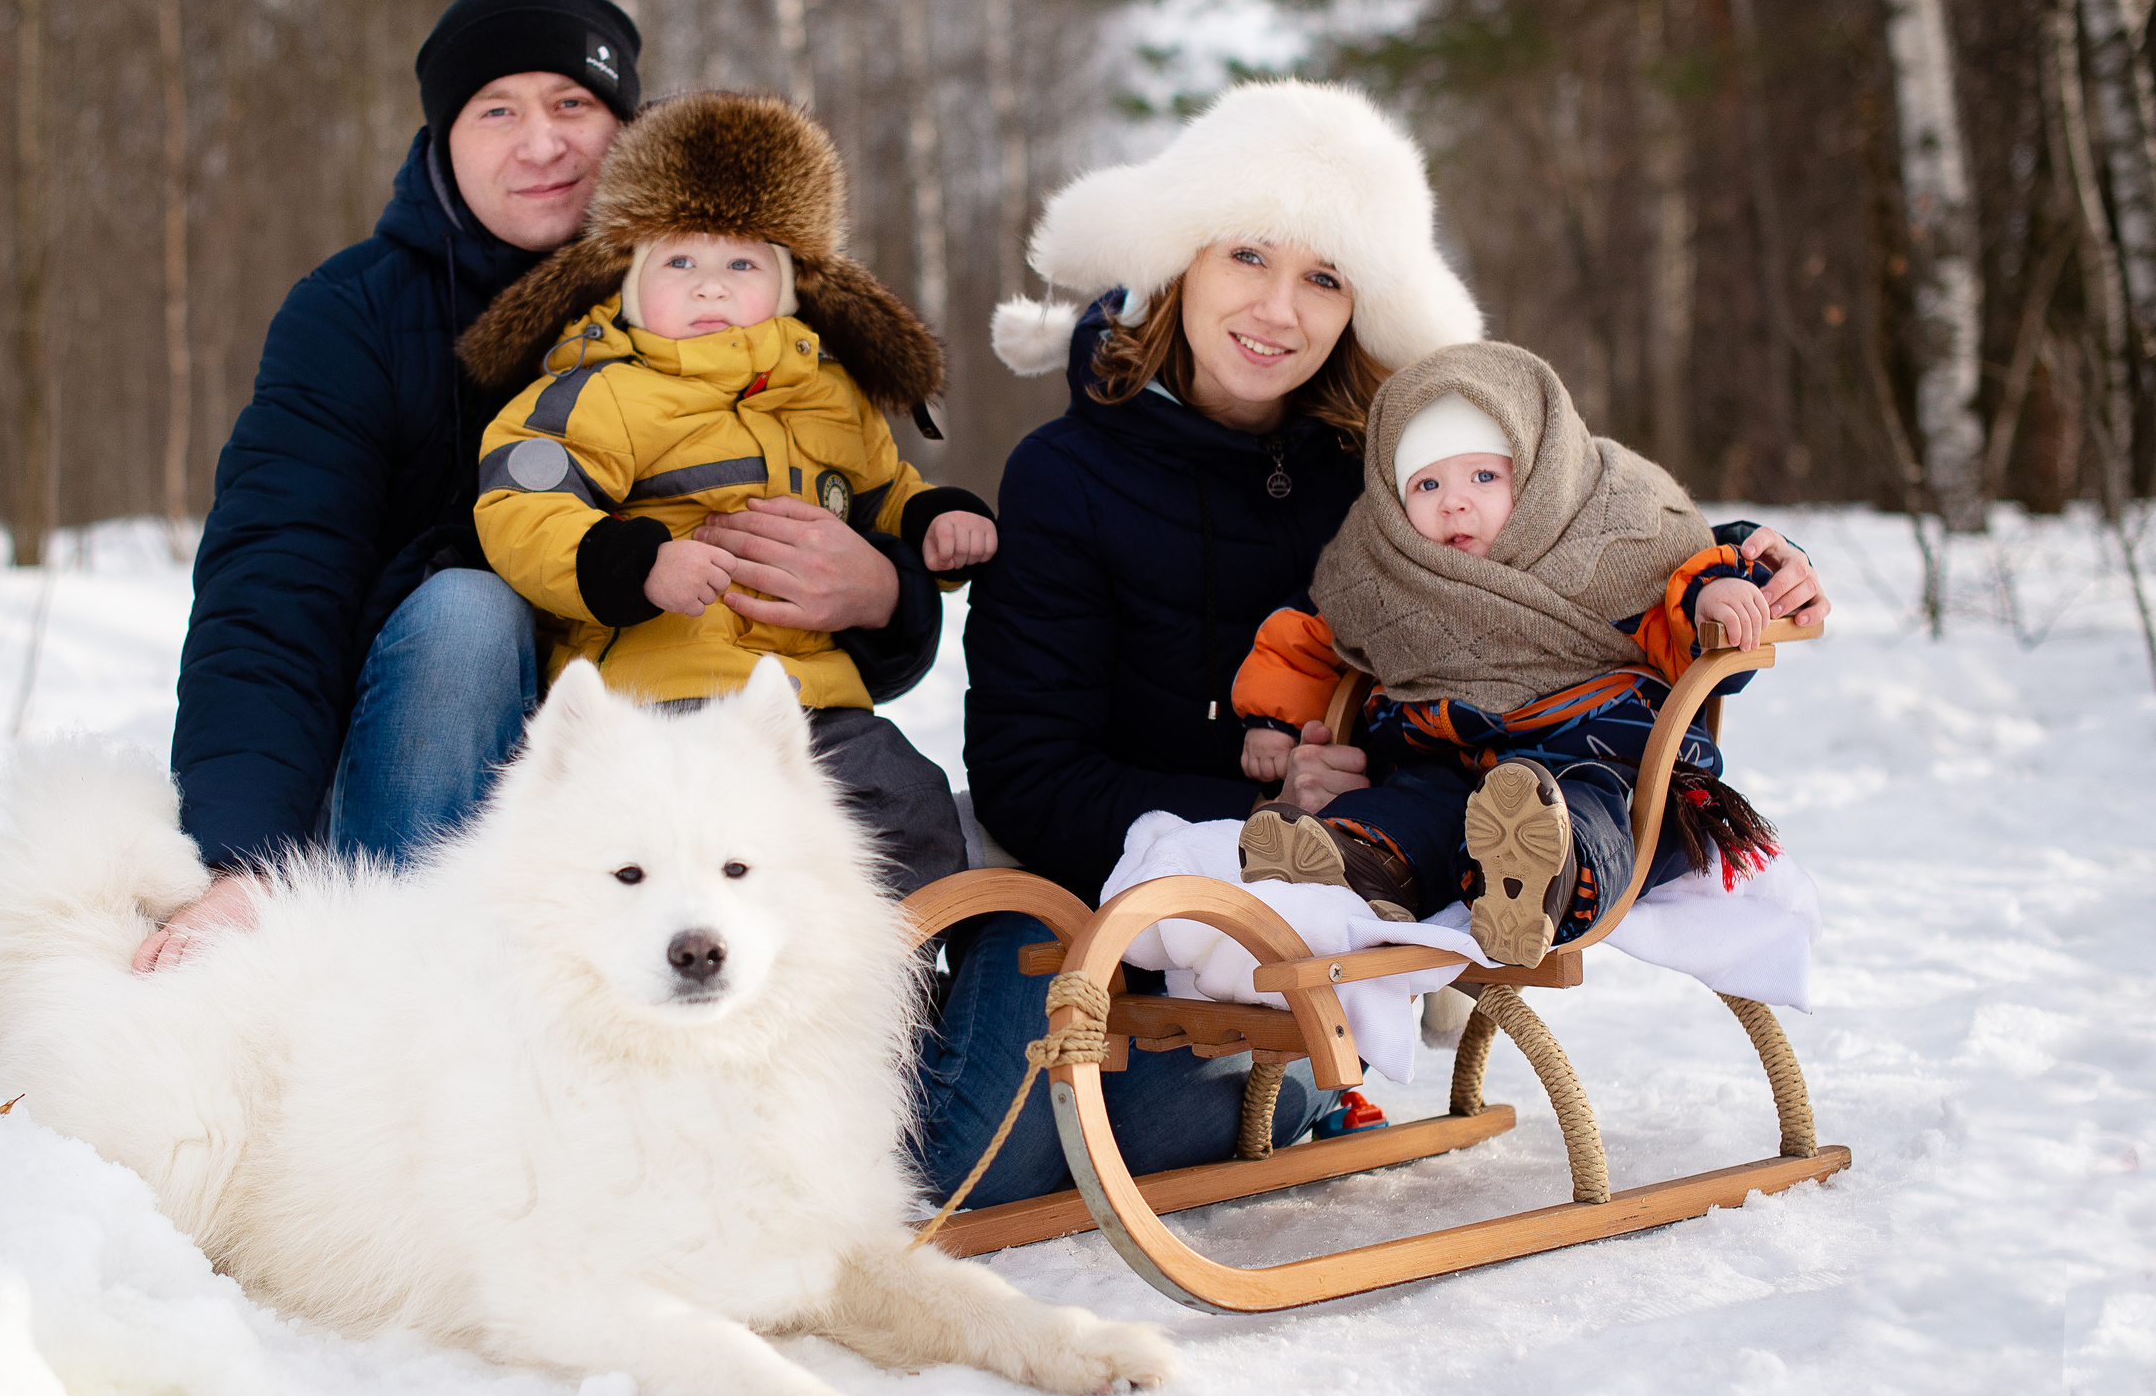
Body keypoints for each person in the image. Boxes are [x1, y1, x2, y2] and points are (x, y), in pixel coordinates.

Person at [921, 79, 1832, 1206]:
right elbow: (1028, 774)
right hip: (1086, 871)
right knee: (972, 1157)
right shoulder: (1062, 474)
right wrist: (1262, 805)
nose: (1278, 308)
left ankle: (1298, 1076)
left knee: (1154, 1114)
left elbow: (1580, 525)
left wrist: (1744, 560)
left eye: (1324, 276)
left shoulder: (1386, 473)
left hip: (1315, 883)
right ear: (1179, 260)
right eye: (1247, 254)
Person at [140, 0, 949, 971]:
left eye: (572, 104)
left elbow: (854, 490)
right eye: (497, 111)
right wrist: (239, 855)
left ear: (625, 126)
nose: (540, 144)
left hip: (657, 748)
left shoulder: (734, 293)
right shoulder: (353, 315)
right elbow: (274, 586)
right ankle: (412, 969)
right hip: (429, 751)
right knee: (469, 610)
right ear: (442, 134)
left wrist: (886, 592)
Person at [459, 90, 997, 897]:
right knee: (695, 848)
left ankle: (906, 974)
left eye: (741, 264)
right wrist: (635, 563)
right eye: (680, 262)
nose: (709, 286)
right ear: (628, 280)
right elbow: (522, 503)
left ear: (789, 287)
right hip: (664, 703)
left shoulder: (831, 394)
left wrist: (935, 518)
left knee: (908, 808)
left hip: (814, 706)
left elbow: (884, 488)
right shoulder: (600, 392)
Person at [1231, 343, 1783, 969]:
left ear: (1541, 473)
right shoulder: (1381, 564)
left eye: (1484, 477)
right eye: (1427, 484)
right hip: (1445, 757)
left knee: (1589, 811)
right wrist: (1274, 715)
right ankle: (1351, 860)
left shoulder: (1620, 539)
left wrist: (1715, 598)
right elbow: (1307, 632)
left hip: (1600, 756)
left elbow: (1679, 613)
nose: (1454, 502)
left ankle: (1546, 876)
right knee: (1405, 807)